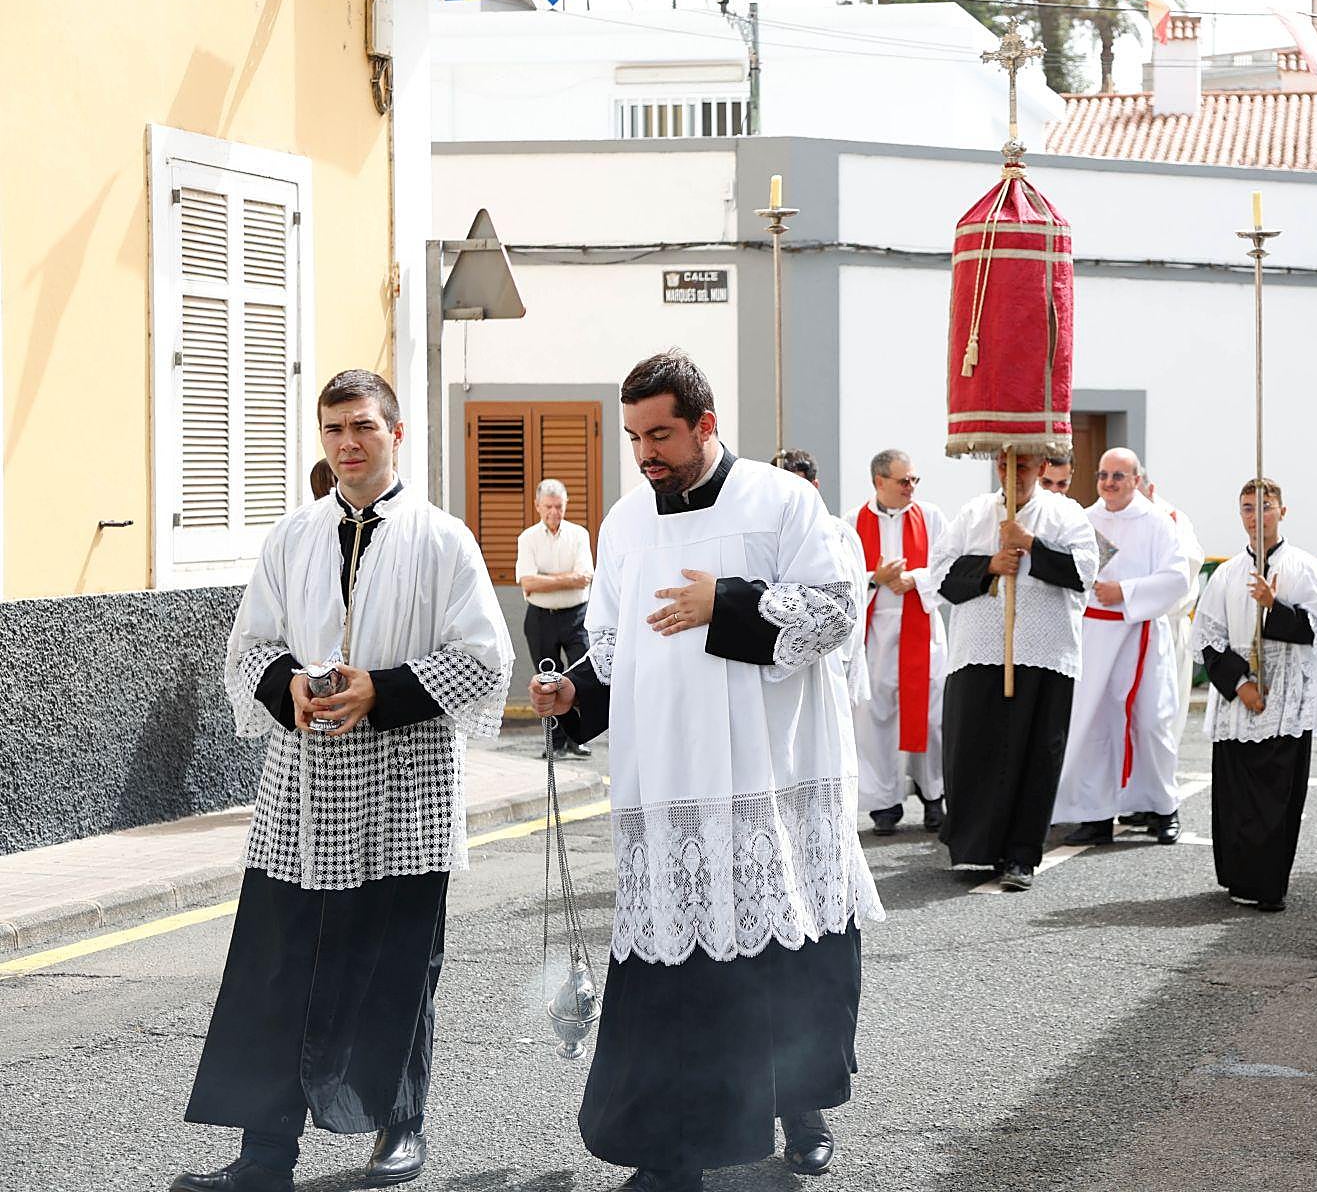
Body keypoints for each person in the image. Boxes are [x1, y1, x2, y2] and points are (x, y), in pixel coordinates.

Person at [530, 352, 881, 1192]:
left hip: (771, 773)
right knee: (673, 973)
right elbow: (614, 654)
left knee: (782, 954)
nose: (646, 453)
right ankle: (671, 1151)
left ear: (706, 424)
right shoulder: (622, 526)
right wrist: (570, 691)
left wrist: (721, 603)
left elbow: (836, 609)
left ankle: (800, 1108)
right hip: (671, 781)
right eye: (635, 437)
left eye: (661, 434)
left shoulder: (782, 501)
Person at [176, 370, 512, 1192]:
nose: (347, 443)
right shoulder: (290, 537)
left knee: (398, 965)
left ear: (397, 432)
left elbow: (485, 657)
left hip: (406, 784)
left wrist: (382, 691)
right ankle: (265, 1154)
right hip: (302, 785)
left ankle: (400, 1130)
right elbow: (249, 646)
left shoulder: (444, 540)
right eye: (333, 430)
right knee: (275, 964)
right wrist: (287, 683)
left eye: (362, 426)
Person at [925, 451, 1096, 890]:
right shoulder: (973, 512)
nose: (1012, 474)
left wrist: (1031, 544)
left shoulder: (1065, 513)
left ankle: (1021, 854)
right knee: (975, 748)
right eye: (1005, 466)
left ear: (1040, 468)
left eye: (1021, 466)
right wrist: (989, 567)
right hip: (980, 651)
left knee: (1035, 754)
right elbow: (940, 574)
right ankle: (976, 847)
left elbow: (1083, 573)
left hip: (1044, 655)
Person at [1192, 477, 1317, 911]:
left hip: (1286, 702)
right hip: (1241, 698)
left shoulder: (1304, 567)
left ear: (1282, 511)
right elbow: (1207, 638)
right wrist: (1241, 686)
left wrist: (1272, 606)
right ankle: (1236, 874)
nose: (1254, 515)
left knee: (1276, 797)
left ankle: (1267, 885)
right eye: (1246, 507)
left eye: (1264, 506)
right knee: (1235, 793)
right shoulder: (1225, 574)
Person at [1053, 449, 1189, 847]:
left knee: (1152, 722)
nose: (1109, 483)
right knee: (1095, 723)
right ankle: (1095, 815)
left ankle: (1163, 808)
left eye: (1118, 476)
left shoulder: (1158, 522)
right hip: (1095, 636)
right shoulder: (1086, 519)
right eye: (1103, 475)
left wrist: (1125, 593)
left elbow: (1178, 576)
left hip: (1140, 633)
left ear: (1136, 479)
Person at [844, 449, 948, 836]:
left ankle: (933, 794)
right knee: (877, 717)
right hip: (877, 634)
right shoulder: (853, 522)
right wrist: (874, 577)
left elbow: (949, 565)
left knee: (931, 717)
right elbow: (842, 576)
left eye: (914, 480)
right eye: (904, 481)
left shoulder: (932, 517)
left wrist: (916, 580)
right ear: (879, 482)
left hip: (921, 627)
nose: (911, 488)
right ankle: (884, 804)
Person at [1119, 471, 1205, 830]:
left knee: (1161, 721)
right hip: (1121, 631)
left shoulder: (1172, 521)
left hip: (1163, 629)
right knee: (1125, 719)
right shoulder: (1115, 519)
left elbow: (1181, 576)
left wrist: (1134, 596)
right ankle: (1135, 799)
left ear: (1148, 488)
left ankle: (1163, 804)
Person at [775, 448, 872, 720]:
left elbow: (856, 599)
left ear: (815, 486)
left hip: (835, 658)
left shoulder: (840, 532)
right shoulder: (767, 534)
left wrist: (852, 658)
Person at [516, 478, 595, 758]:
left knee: (580, 676)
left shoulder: (579, 535)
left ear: (566, 506)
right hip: (540, 619)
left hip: (576, 618)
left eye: (559, 506)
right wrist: (567, 579)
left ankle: (578, 737)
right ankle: (556, 742)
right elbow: (528, 583)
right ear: (538, 507)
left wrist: (545, 579)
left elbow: (585, 577)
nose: (554, 512)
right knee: (548, 680)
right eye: (548, 506)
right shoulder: (528, 538)